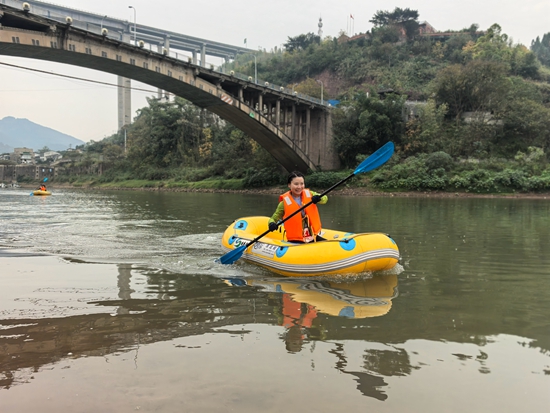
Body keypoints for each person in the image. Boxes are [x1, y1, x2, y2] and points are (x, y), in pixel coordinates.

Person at [268, 171, 327, 243]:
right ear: (289, 185)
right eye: (296, 184)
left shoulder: (310, 194)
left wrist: (319, 198)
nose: (299, 187)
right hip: (296, 239)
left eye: (302, 184)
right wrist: (271, 224)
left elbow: (325, 199)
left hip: (312, 235)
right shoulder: (284, 203)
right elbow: (273, 218)